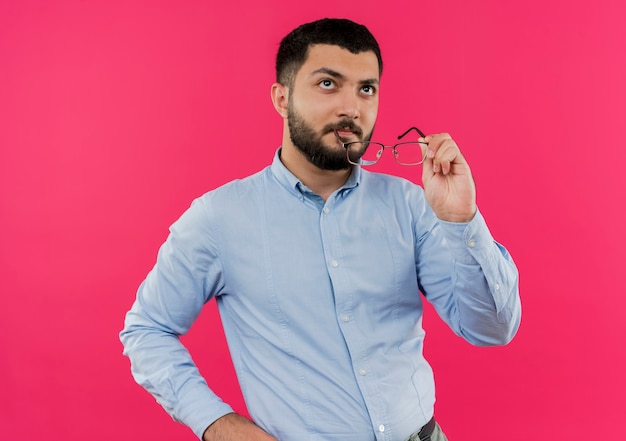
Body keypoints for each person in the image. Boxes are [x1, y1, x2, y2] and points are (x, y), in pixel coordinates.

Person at [120, 18, 521, 441]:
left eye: (366, 88)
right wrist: (217, 425)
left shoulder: (411, 205)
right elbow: (146, 330)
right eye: (328, 84)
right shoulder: (219, 218)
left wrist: (461, 220)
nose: (352, 107)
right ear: (282, 97)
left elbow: (491, 329)